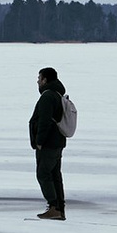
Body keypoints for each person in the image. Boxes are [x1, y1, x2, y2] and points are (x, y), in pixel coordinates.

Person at [29, 66, 74, 219]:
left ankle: (54, 207)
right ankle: (59, 209)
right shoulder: (57, 94)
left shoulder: (48, 96)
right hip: (57, 142)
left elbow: (45, 120)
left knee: (43, 174)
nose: (37, 81)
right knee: (54, 175)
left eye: (39, 78)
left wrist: (39, 141)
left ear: (45, 79)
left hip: (48, 143)